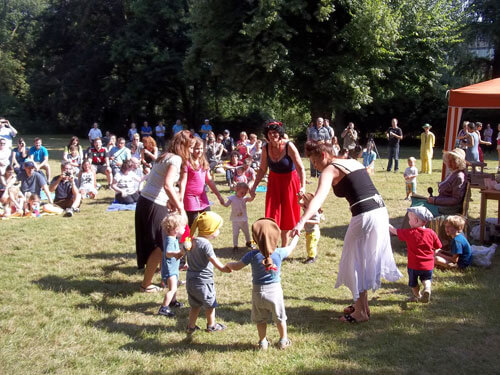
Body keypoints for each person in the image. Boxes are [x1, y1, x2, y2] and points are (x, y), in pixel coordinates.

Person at [292, 142, 402, 323]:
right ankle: (362, 308)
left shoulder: (330, 170)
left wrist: (302, 221)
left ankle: (359, 312)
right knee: (361, 260)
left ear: (324, 155)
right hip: (379, 211)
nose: (314, 165)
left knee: (353, 262)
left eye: (314, 160)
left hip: (365, 215)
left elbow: (319, 198)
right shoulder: (351, 162)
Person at [225, 218, 299, 350]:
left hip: (258, 293)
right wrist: (296, 236)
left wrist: (229, 265)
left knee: (260, 320)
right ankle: (283, 340)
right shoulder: (279, 253)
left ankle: (263, 342)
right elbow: (291, 247)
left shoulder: (252, 255)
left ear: (256, 238)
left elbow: (237, 266)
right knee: (280, 318)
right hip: (275, 292)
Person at [135, 130, 194, 293]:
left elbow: (163, 183)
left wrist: (173, 200)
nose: (190, 151)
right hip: (154, 203)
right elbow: (167, 185)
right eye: (189, 147)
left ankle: (166, 279)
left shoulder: (165, 155)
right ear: (183, 146)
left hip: (147, 201)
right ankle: (145, 285)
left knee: (162, 243)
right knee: (160, 246)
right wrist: (181, 208)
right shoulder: (175, 159)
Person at [250, 120, 305, 247]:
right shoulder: (265, 147)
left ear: (279, 133)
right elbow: (263, 169)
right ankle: (271, 244)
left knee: (286, 215)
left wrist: (303, 186)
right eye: (269, 133)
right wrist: (254, 187)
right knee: (273, 214)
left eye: (275, 133)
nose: (272, 135)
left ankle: (284, 246)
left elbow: (301, 168)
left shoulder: (289, 146)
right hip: (274, 183)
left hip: (289, 183)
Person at [184, 211, 232, 334]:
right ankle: (211, 326)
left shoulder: (191, 241)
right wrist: (224, 268)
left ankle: (191, 326)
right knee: (210, 304)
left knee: (195, 305)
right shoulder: (206, 244)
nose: (219, 231)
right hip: (203, 281)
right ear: (210, 230)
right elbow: (213, 260)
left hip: (190, 280)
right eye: (217, 229)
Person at [389, 207, 442, 303]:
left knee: (413, 283)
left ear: (416, 220)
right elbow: (438, 246)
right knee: (426, 279)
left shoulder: (410, 233)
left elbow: (395, 231)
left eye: (410, 219)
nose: (409, 221)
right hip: (428, 265)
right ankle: (427, 289)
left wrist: (386, 224)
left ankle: (417, 296)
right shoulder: (431, 233)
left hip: (414, 265)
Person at [179, 137, 224, 226]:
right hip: (190, 197)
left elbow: (209, 181)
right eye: (197, 148)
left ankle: (202, 239)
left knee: (208, 221)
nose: (199, 151)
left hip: (202, 197)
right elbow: (183, 182)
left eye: (201, 148)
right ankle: (186, 239)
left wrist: (219, 196)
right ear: (191, 149)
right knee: (192, 224)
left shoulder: (203, 162)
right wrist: (180, 198)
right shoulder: (187, 163)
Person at [413, 148, 467, 217]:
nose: (449, 163)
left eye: (453, 160)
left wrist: (435, 201)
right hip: (442, 205)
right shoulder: (452, 173)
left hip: (448, 209)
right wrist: (434, 199)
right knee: (415, 203)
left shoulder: (459, 177)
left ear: (459, 162)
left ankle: (415, 227)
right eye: (449, 160)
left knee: (416, 210)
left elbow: (455, 200)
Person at [158, 213, 188, 317]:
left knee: (175, 286)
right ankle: (164, 308)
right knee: (172, 289)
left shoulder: (173, 239)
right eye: (182, 227)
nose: (184, 229)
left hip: (173, 268)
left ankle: (173, 301)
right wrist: (178, 253)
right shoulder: (170, 240)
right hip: (169, 270)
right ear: (175, 229)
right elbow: (168, 253)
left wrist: (181, 262)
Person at [223, 182, 254, 251]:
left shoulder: (244, 198)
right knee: (235, 233)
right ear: (236, 190)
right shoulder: (232, 198)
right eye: (242, 192)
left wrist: (252, 196)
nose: (244, 194)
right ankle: (235, 245)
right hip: (235, 220)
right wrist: (222, 202)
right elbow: (226, 205)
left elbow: (250, 199)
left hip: (244, 219)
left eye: (245, 193)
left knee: (247, 232)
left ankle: (248, 242)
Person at [298, 193, 323, 264]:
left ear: (309, 201)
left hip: (314, 232)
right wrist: (299, 198)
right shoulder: (306, 207)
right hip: (309, 231)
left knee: (311, 245)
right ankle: (313, 255)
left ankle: (312, 258)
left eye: (304, 200)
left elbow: (317, 221)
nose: (303, 201)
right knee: (309, 244)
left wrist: (306, 220)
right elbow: (299, 204)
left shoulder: (314, 211)